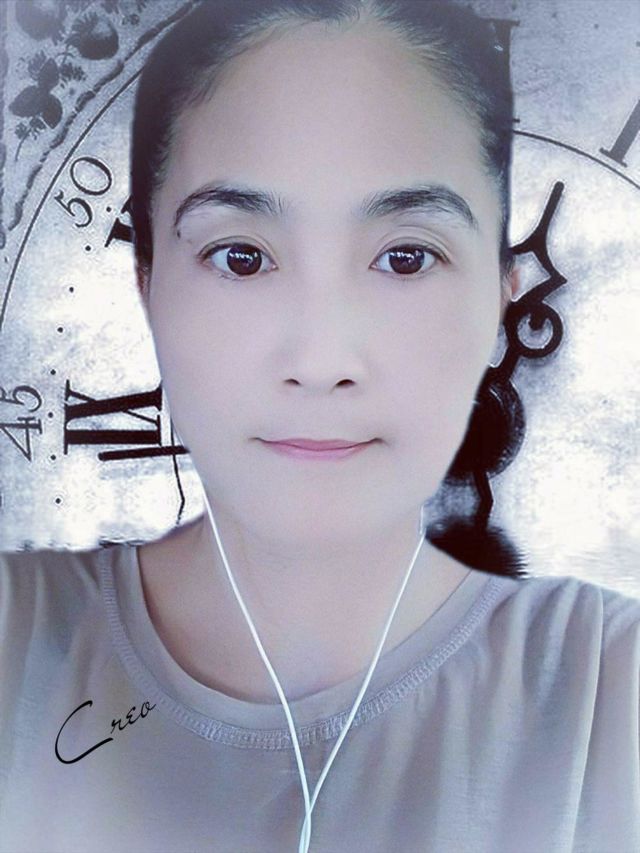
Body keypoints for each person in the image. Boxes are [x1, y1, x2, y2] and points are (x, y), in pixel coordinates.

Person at [0, 1, 638, 851]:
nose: (321, 360)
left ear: (500, 298)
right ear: (147, 282)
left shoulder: (610, 687)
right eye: (242, 256)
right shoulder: (16, 637)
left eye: (405, 257)